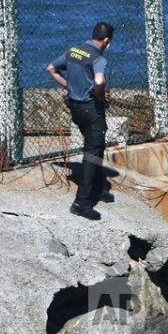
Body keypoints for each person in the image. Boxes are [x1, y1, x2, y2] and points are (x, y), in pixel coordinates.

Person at [47, 21, 116, 221]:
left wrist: (69, 86)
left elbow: (51, 68)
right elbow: (100, 81)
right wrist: (100, 95)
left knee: (96, 146)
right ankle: (81, 203)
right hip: (91, 109)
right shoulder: (99, 58)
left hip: (75, 108)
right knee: (92, 153)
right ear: (106, 41)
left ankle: (97, 187)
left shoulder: (74, 51)